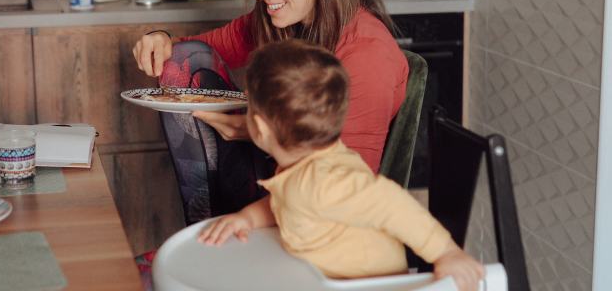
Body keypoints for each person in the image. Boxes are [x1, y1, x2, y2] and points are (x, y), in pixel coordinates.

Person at [133, 0, 408, 173]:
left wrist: (257, 132)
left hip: (315, 207)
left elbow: (341, 187)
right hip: (271, 184)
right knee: (181, 58)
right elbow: (194, 51)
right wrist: (161, 39)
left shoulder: (368, 54)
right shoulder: (279, 22)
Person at [198, 40, 484, 291]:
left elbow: (393, 203)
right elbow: (283, 201)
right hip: (319, 278)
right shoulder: (304, 166)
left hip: (367, 285)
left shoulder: (328, 179)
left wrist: (446, 252)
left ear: (259, 128)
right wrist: (247, 218)